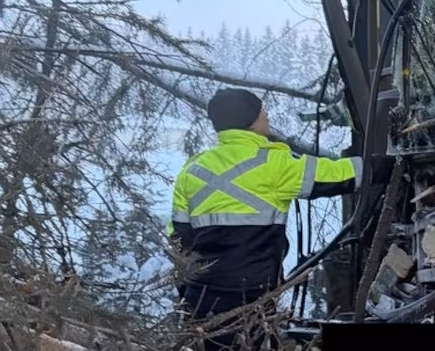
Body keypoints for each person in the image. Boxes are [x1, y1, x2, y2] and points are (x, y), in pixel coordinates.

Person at [167, 88, 394, 350]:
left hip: (201, 294)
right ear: (249, 120)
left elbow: (178, 237)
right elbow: (335, 175)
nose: (266, 115)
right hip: (251, 295)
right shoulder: (273, 162)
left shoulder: (192, 169)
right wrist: (383, 166)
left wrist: (187, 291)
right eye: (261, 111)